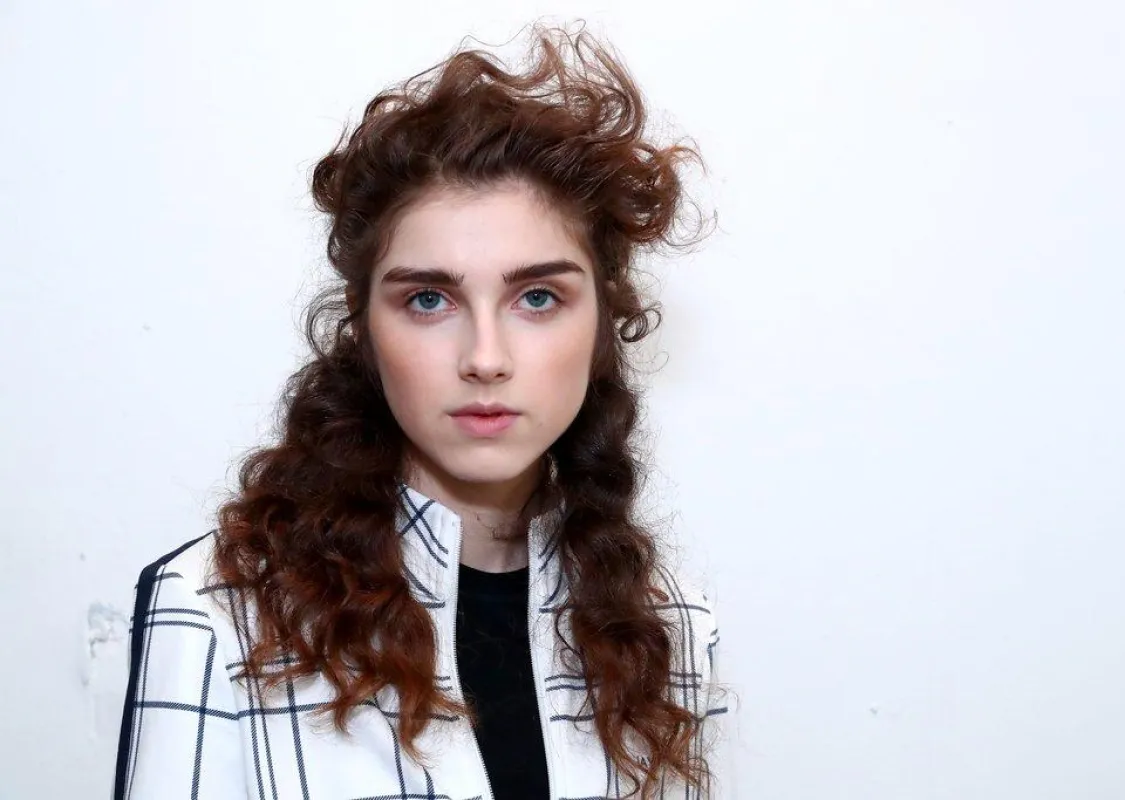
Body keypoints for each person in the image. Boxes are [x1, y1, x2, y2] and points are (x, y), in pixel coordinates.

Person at [112, 22, 728, 800]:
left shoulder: (671, 623)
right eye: (430, 300)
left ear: (603, 323)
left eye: (539, 298)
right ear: (364, 328)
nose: (486, 357)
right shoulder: (218, 611)